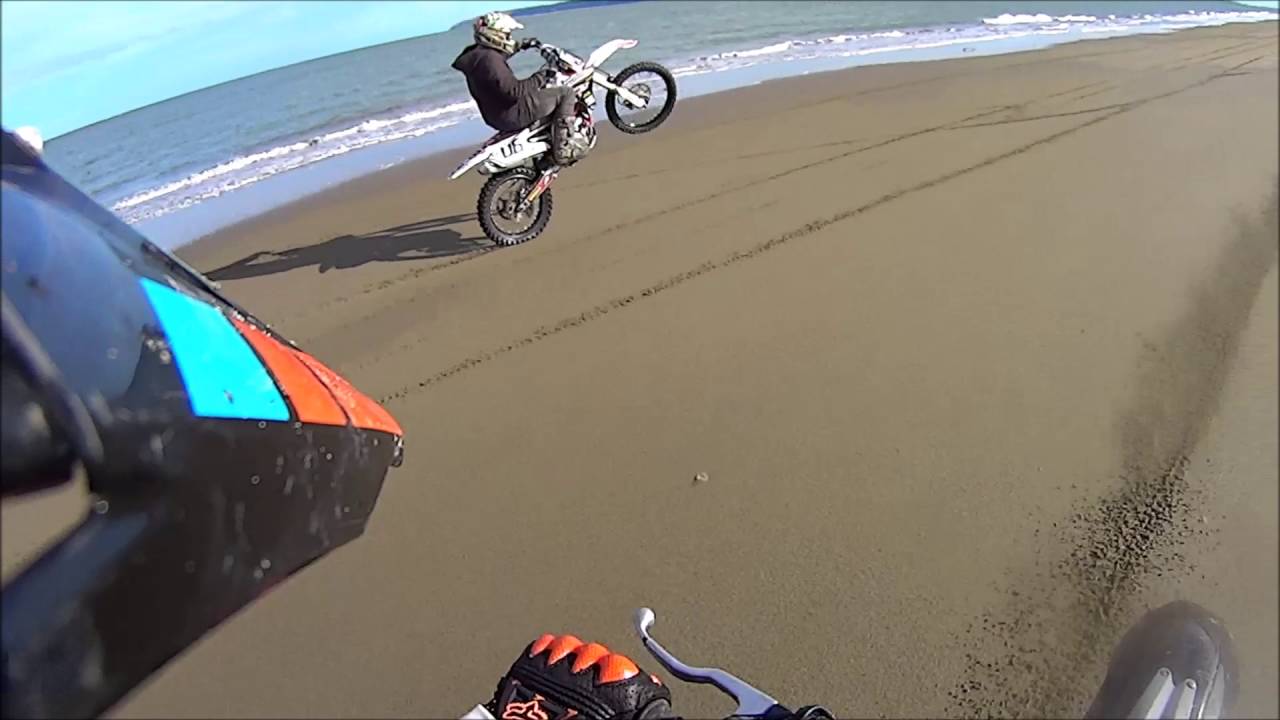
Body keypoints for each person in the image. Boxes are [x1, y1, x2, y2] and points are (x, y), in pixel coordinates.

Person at [452, 11, 578, 165]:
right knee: (566, 93)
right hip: (512, 114)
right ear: (495, 34)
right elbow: (515, 92)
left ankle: (548, 136)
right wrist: (544, 75)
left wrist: (521, 46)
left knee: (543, 90)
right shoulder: (490, 61)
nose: (509, 38)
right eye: (507, 34)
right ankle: (563, 148)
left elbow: (498, 61)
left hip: (495, 115)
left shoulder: (478, 55)